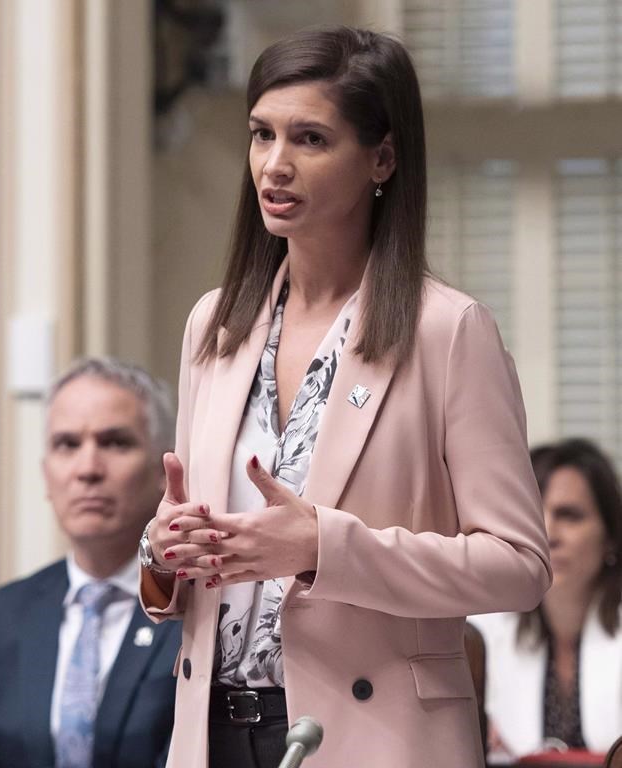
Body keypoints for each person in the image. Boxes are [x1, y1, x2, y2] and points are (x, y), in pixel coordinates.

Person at [138, 25, 551, 768]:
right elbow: (204, 557)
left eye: (310, 139)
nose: (274, 165)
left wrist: (328, 548)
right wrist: (165, 552)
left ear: (381, 158)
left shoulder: (447, 332)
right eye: (261, 135)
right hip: (212, 730)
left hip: (374, 737)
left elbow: (518, 565)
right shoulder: (216, 322)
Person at [0, 358, 181, 768]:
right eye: (67, 444)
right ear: (46, 475)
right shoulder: (1, 617)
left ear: (163, 468)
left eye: (115, 442)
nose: (88, 469)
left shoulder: (200, 610)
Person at [473, 438, 622, 760]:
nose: (548, 533)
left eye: (569, 515)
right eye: (533, 514)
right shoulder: (477, 632)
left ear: (610, 536)